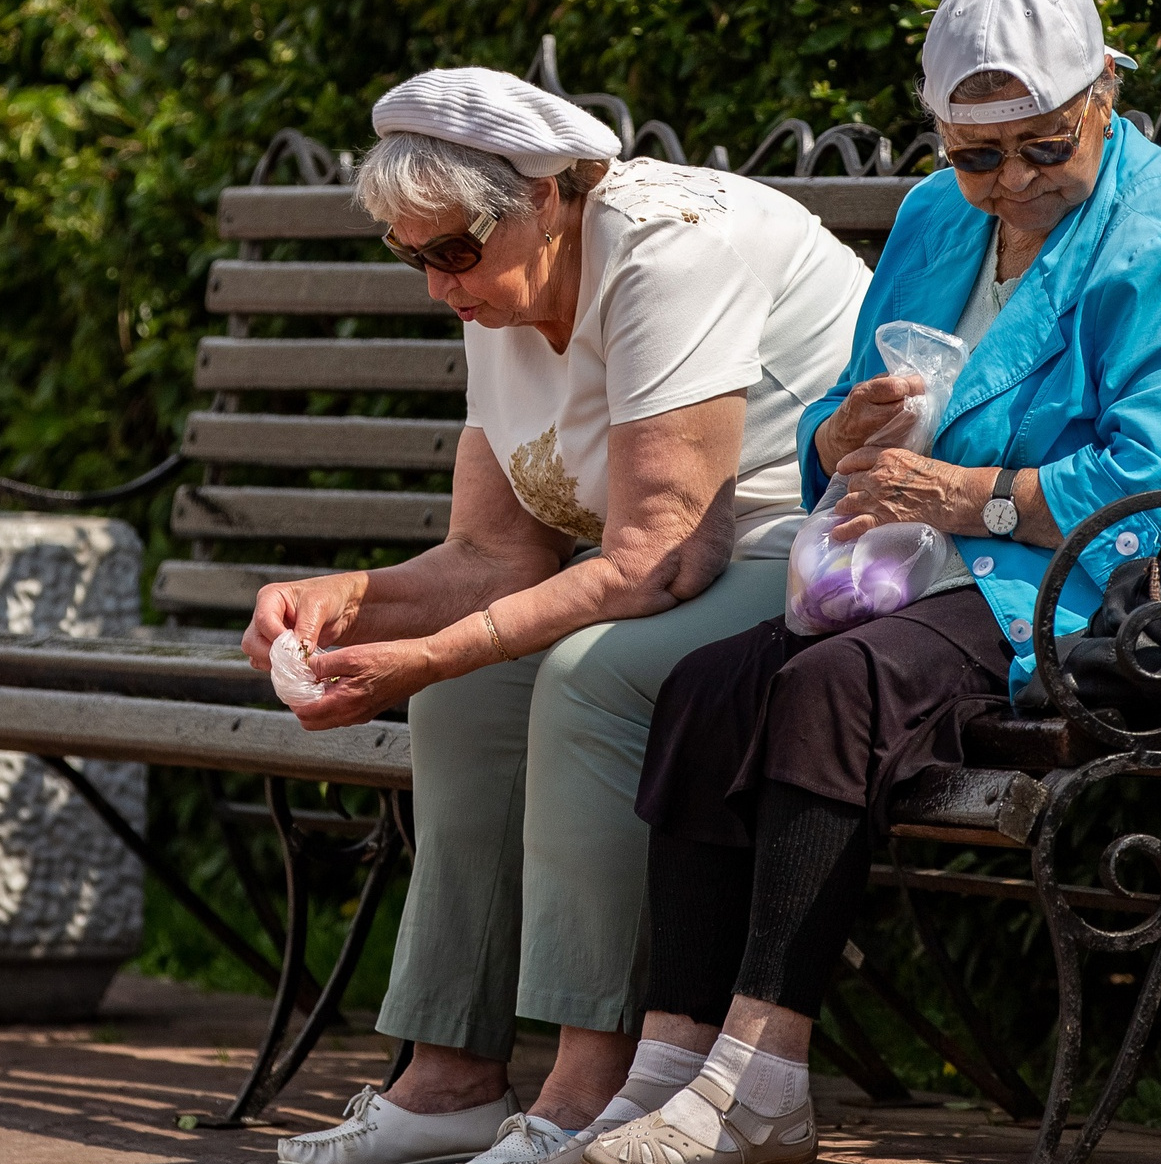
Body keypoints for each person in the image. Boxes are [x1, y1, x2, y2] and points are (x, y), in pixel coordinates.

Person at [582, 0, 1161, 1164]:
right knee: (706, 687)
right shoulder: (932, 217)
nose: (1010, 182)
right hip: (942, 568)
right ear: (939, 137)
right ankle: (667, 1066)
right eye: (978, 155)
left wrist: (971, 497)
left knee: (833, 689)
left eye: (1041, 146)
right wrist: (837, 437)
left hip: (1119, 589)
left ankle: (761, 1085)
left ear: (1105, 99)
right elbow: (857, 419)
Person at [247, 67, 872, 1164]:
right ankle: (446, 1082)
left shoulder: (672, 251)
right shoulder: (500, 278)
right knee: (465, 695)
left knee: (593, 676)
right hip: (686, 568)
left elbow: (656, 564)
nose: (440, 286)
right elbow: (495, 554)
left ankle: (593, 1088)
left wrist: (427, 646)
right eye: (414, 258)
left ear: (547, 196)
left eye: (452, 253)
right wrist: (348, 603)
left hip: (814, 558)